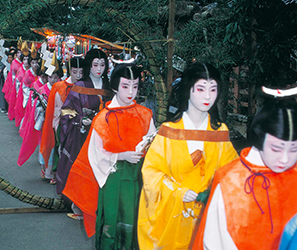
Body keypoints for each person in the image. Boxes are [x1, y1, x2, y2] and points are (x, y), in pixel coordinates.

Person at [137, 62, 239, 250]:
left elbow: (233, 175)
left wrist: (214, 194)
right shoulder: (169, 132)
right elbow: (151, 172)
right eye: (200, 89)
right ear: (188, 90)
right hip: (173, 219)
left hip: (208, 218)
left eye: (213, 89)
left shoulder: (220, 133)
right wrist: (177, 193)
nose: (208, 96)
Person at [193, 97, 297, 250]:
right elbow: (214, 241)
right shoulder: (232, 180)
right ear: (260, 139)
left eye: (294, 149)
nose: (285, 159)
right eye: (276, 149)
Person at [93, 63, 156, 249]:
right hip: (113, 175)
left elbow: (153, 146)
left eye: (135, 86)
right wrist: (122, 156)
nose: (131, 92)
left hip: (138, 176)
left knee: (134, 219)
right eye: (125, 86)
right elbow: (96, 152)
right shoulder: (104, 117)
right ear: (115, 86)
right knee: (111, 221)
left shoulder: (145, 114)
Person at [55, 48, 113, 196]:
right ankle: (79, 198)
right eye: (95, 65)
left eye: (102, 64)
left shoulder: (109, 86)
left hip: (105, 136)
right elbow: (66, 111)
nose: (99, 69)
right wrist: (81, 120)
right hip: (82, 136)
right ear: (89, 65)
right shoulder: (80, 85)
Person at [17, 54, 63, 186]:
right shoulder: (42, 89)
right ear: (46, 77)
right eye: (51, 77)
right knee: (47, 145)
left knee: (57, 146)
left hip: (58, 121)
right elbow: (34, 105)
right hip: (45, 122)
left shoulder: (61, 88)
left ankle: (54, 172)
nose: (53, 79)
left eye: (56, 77)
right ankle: (46, 170)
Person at [39, 56, 84, 179]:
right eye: (75, 72)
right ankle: (58, 174)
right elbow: (54, 109)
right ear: (70, 71)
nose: (78, 75)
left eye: (81, 72)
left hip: (80, 123)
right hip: (62, 123)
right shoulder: (59, 87)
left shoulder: (86, 86)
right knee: (61, 148)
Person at [15, 43, 40, 127]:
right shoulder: (27, 74)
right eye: (33, 63)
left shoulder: (39, 73)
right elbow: (24, 87)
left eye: (37, 62)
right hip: (30, 96)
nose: (35, 65)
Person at [7, 41, 30, 121]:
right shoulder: (16, 65)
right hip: (20, 88)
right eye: (18, 52)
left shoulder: (30, 69)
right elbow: (15, 78)